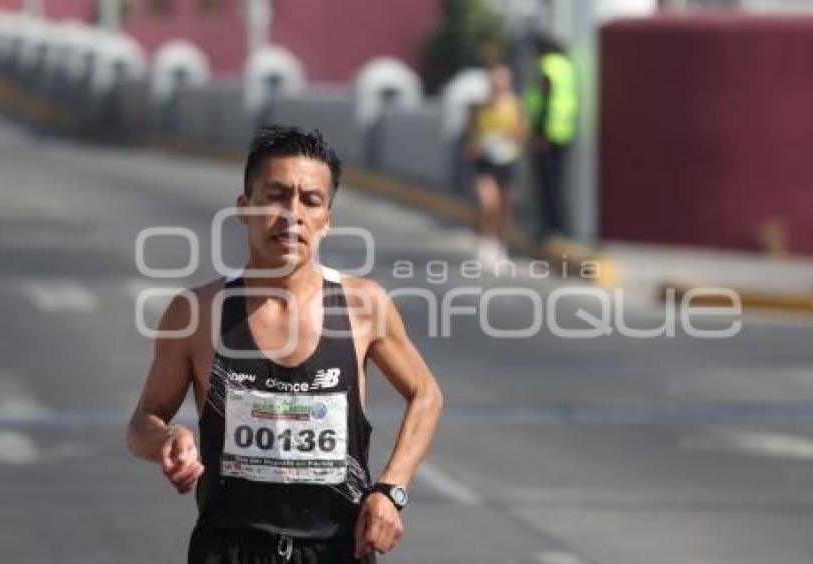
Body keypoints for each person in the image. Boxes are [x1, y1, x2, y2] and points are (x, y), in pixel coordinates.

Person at [127, 125, 444, 563]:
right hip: (231, 547)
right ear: (245, 207)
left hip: (336, 549)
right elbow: (144, 420)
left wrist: (392, 489)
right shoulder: (196, 312)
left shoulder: (362, 305)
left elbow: (426, 394)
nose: (292, 214)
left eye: (310, 201)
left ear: (326, 221)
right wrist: (167, 439)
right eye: (276, 195)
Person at [464, 63, 528, 267]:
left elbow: (521, 133)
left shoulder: (516, 106)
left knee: (504, 207)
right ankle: (486, 242)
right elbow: (470, 135)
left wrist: (510, 136)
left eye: (502, 78)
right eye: (495, 78)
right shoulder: (480, 107)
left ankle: (501, 245)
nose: (498, 83)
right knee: (488, 202)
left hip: (507, 160)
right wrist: (476, 145)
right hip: (485, 161)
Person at [525, 35, 578, 242]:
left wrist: (540, 132)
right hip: (564, 131)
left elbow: (546, 100)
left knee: (547, 185)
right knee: (558, 182)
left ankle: (549, 227)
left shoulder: (546, 66)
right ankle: (560, 225)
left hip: (547, 133)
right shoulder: (566, 66)